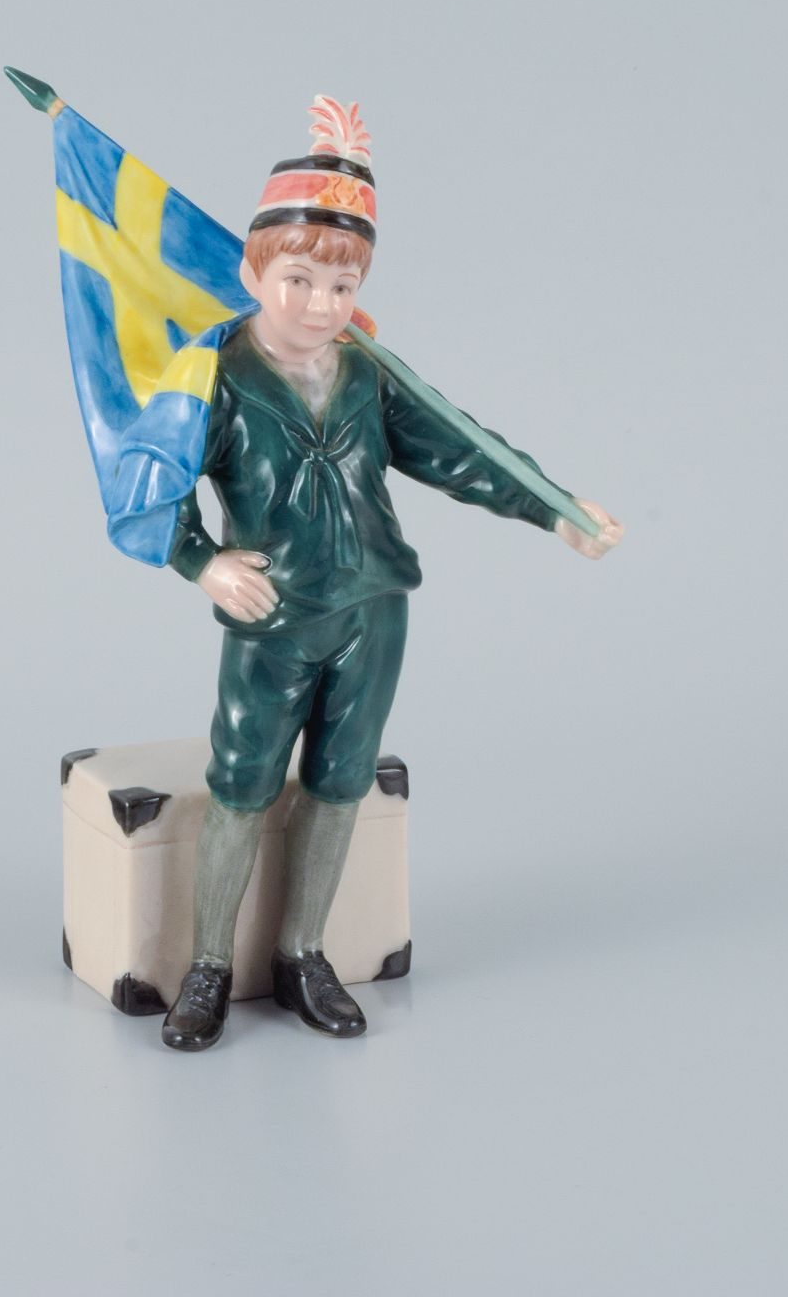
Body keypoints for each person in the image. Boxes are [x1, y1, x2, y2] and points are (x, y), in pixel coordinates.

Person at [160, 96, 623, 1051]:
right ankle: (207, 965)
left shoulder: (368, 372)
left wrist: (551, 510)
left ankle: (302, 953)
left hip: (372, 610)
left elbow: (458, 450)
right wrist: (204, 563)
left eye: (341, 286)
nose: (319, 306)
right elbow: (152, 488)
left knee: (341, 780)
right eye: (298, 280)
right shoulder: (211, 379)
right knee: (242, 781)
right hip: (274, 614)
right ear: (252, 273)